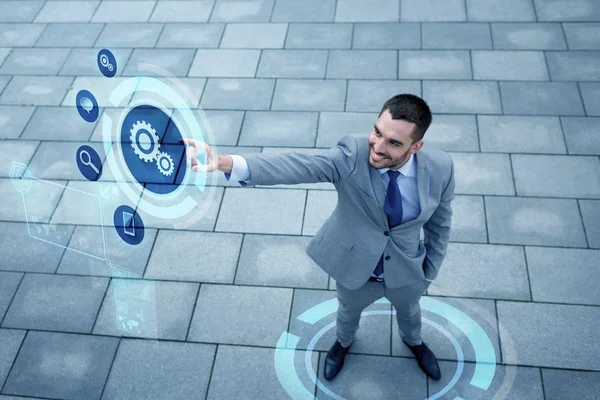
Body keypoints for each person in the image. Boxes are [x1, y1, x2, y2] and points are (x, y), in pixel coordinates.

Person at [181, 94, 455, 382]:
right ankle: (343, 344)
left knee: (411, 312)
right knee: (347, 313)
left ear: (416, 146)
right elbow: (296, 165)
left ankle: (414, 342)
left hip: (408, 268)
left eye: (394, 143)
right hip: (356, 267)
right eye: (377, 132)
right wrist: (224, 162)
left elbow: (441, 225)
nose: (377, 147)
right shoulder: (351, 155)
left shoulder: (440, 168)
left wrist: (429, 273)